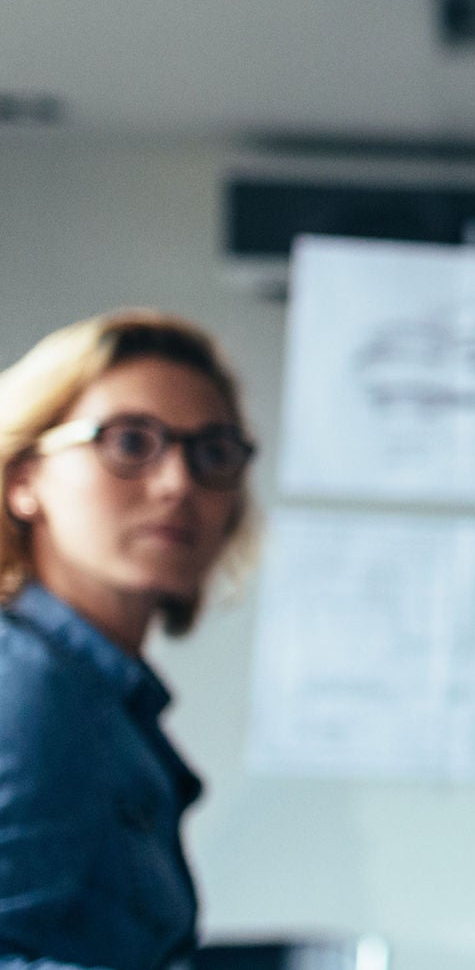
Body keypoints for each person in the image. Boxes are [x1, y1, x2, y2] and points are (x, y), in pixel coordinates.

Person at [0, 310, 260, 970]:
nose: (179, 483)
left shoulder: (101, 695)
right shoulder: (25, 687)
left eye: (213, 452)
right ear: (24, 478)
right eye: (129, 442)